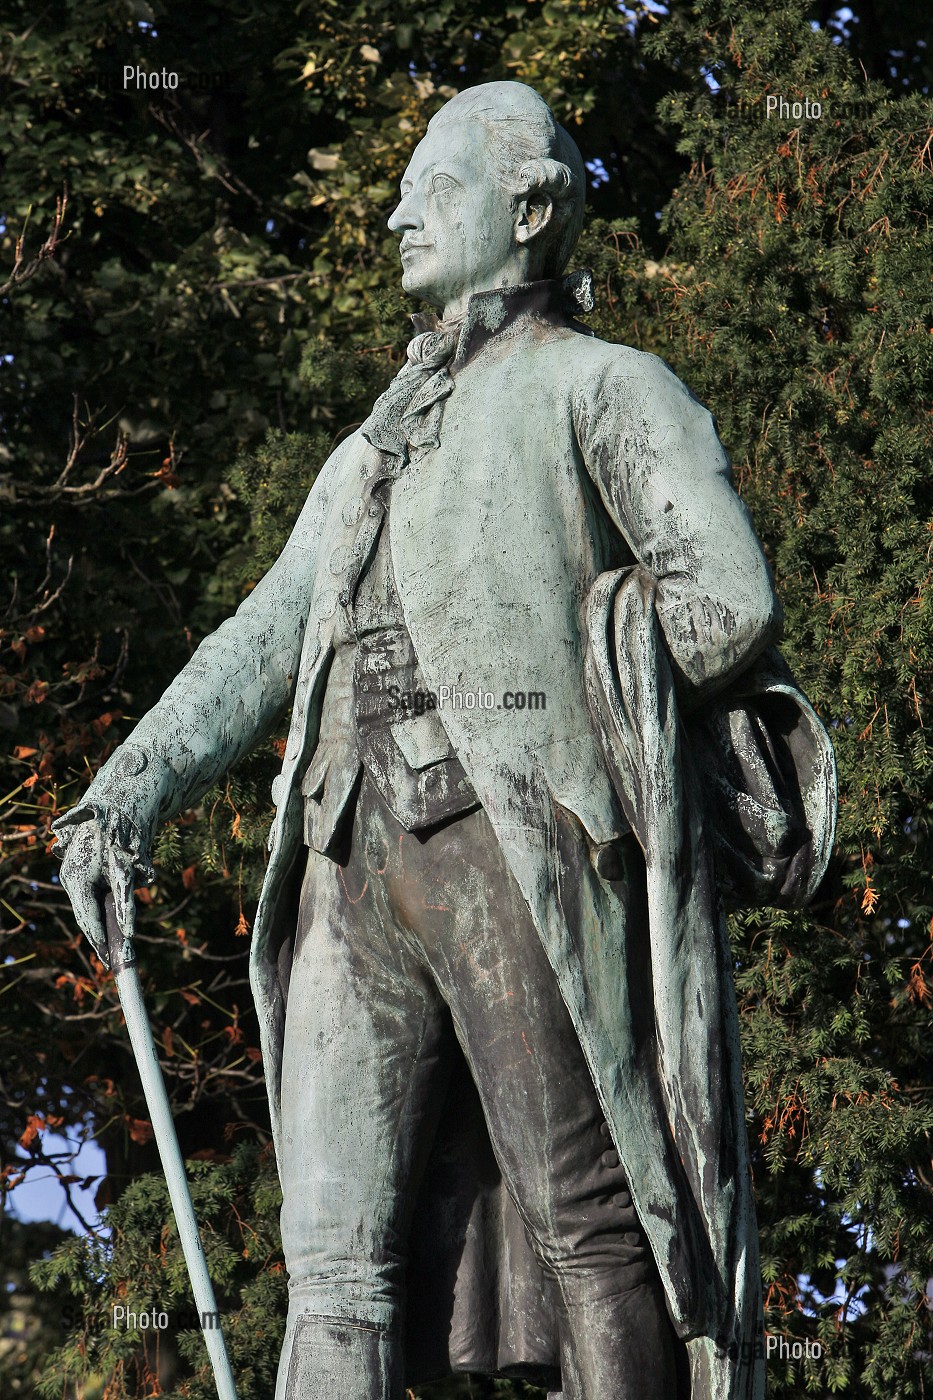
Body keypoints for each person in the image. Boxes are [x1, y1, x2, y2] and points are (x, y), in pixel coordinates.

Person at [54, 81, 836, 1400]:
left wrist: (589, 685)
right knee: (333, 1260)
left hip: (512, 837)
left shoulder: (603, 384)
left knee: (586, 1219)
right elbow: (263, 635)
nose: (400, 210)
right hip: (345, 859)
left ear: (532, 208)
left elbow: (726, 596)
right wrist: (123, 792)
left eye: (436, 184)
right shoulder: (367, 447)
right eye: (400, 187)